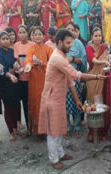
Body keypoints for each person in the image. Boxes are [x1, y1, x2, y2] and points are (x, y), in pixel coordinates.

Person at [37, 29, 107, 170]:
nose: (71, 46)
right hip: (51, 99)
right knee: (53, 131)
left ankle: (60, 153)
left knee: (59, 128)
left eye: (72, 43)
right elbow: (76, 75)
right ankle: (53, 159)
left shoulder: (62, 57)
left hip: (58, 99)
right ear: (60, 42)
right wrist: (96, 77)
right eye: (68, 43)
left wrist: (76, 100)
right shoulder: (57, 58)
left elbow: (70, 82)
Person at [24, 26, 53, 140]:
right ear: (32, 36)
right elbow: (28, 60)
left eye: (39, 34)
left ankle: (47, 129)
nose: (37, 36)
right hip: (34, 81)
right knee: (35, 103)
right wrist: (27, 66)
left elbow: (52, 64)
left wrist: (42, 63)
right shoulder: (31, 49)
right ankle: (37, 130)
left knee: (45, 103)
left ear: (43, 35)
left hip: (46, 80)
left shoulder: (48, 49)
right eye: (35, 34)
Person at [86, 27, 109, 142]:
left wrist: (108, 60)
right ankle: (91, 130)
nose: (98, 38)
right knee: (91, 104)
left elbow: (109, 59)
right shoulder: (89, 48)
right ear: (92, 37)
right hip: (92, 77)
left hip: (102, 78)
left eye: (99, 35)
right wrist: (104, 61)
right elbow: (94, 61)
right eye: (95, 35)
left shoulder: (105, 47)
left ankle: (102, 131)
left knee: (101, 103)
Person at [65, 26, 87, 139]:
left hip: (76, 77)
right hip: (64, 78)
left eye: (72, 29)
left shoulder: (78, 43)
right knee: (65, 105)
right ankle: (67, 128)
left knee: (77, 102)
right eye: (68, 29)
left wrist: (72, 59)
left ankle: (77, 127)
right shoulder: (62, 43)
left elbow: (82, 60)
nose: (70, 31)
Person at [0, 32, 21, 141]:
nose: (6, 41)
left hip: (15, 81)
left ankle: (16, 128)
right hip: (5, 83)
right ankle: (11, 132)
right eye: (3, 39)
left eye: (7, 38)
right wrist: (10, 74)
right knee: (8, 107)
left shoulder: (12, 51)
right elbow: (1, 71)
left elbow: (16, 63)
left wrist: (17, 65)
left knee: (16, 105)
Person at [13, 25, 35, 133]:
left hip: (32, 79)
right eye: (20, 32)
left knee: (33, 103)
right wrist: (16, 66)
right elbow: (16, 61)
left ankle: (36, 127)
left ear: (28, 33)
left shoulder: (33, 45)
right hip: (21, 79)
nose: (22, 35)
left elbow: (35, 60)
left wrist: (28, 67)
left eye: (24, 32)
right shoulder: (16, 45)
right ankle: (29, 128)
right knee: (25, 104)